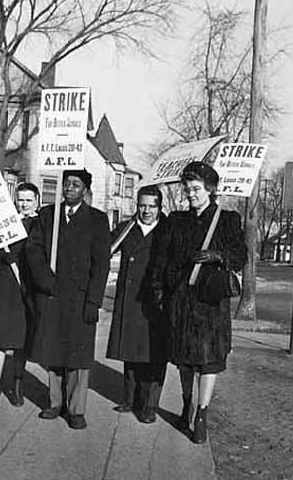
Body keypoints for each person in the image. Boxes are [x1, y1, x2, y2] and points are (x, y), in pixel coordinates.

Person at [151, 161, 247, 444]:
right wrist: (159, 288)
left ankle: (202, 415)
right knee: (183, 360)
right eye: (187, 188)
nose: (190, 193)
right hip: (181, 299)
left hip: (210, 302)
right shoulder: (177, 221)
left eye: (196, 188)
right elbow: (161, 259)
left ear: (211, 189)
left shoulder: (227, 220)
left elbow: (241, 256)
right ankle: (186, 404)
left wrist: (217, 256)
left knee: (208, 361)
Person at [26, 169, 111, 430]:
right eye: (67, 183)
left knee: (78, 354)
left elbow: (101, 264)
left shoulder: (97, 219)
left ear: (85, 190)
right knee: (53, 350)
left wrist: (93, 301)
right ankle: (54, 402)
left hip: (81, 297)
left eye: (76, 184)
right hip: (52, 293)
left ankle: (76, 409)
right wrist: (45, 280)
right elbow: (33, 250)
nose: (70, 188)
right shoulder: (48, 215)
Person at [106, 185, 168, 424]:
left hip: (155, 299)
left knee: (153, 353)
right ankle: (130, 399)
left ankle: (149, 406)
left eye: (152, 206)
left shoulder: (166, 231)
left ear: (159, 208)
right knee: (130, 349)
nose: (146, 210)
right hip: (130, 297)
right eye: (142, 205)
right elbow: (107, 250)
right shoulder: (127, 228)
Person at [0, 182, 40, 409]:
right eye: (20, 199)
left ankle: (17, 383)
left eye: (28, 199)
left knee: (20, 339)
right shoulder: (4, 221)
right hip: (4, 283)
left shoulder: (40, 223)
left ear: (36, 200)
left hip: (25, 284)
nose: (24, 204)